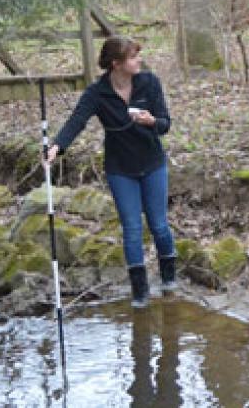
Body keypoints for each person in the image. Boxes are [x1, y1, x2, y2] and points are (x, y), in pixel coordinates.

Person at [45, 35, 175, 308]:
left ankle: (169, 280)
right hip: (120, 169)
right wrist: (57, 146)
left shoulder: (149, 82)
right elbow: (77, 121)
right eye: (133, 57)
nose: (139, 60)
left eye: (138, 55)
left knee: (159, 225)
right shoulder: (97, 92)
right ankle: (139, 293)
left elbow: (165, 124)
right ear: (116, 64)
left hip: (153, 163)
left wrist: (152, 122)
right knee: (131, 229)